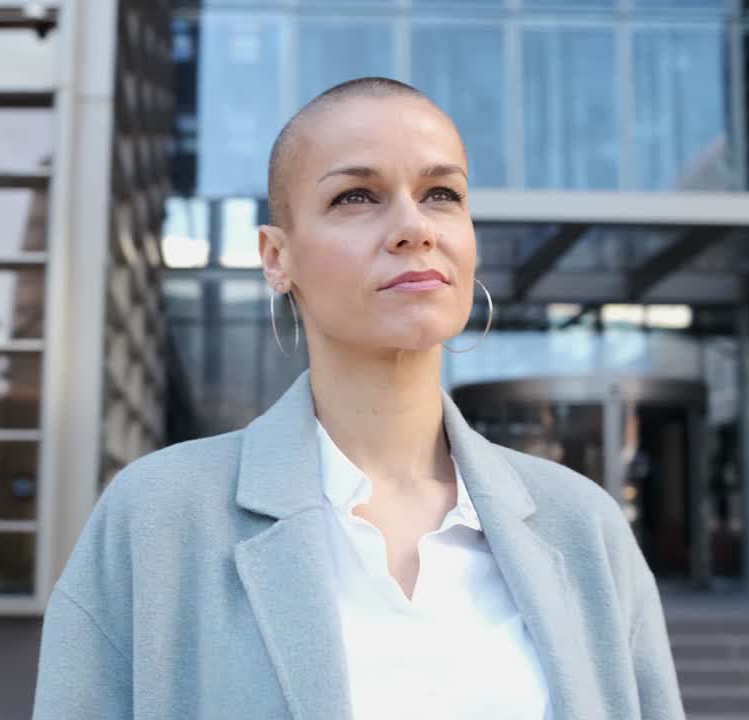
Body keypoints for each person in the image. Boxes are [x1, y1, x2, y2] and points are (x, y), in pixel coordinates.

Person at [33, 77, 683, 720]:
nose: (414, 228)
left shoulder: (583, 527)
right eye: (356, 197)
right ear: (276, 256)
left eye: (441, 194)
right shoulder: (157, 519)